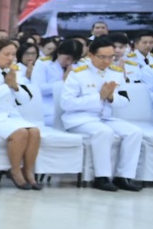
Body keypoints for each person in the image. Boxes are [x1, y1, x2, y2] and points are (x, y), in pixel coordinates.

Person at [61, 36, 146, 191]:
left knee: (135, 132)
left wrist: (111, 97)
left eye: (111, 57)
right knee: (104, 132)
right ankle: (102, 177)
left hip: (105, 117)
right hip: (80, 119)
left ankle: (124, 177)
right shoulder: (78, 73)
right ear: (91, 55)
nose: (107, 61)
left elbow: (125, 100)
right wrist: (99, 97)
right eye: (102, 57)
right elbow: (67, 103)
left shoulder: (116, 73)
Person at [0, 38, 43, 190]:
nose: (11, 58)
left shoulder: (14, 72)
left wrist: (15, 86)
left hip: (9, 117)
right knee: (20, 133)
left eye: (13, 54)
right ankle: (15, 171)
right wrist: (6, 86)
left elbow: (24, 100)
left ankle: (28, 171)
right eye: (6, 54)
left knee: (35, 132)